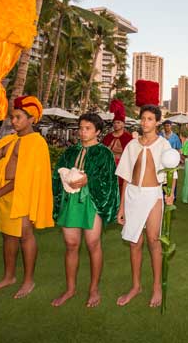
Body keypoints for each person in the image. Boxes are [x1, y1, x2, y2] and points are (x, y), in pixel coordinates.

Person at [0, 95, 54, 299]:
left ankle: (28, 280)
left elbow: (25, 178)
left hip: (22, 195)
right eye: (12, 117)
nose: (13, 121)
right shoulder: (9, 141)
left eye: (18, 117)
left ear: (32, 119)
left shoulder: (37, 143)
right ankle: (9, 277)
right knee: (8, 236)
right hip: (5, 196)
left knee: (25, 235)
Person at [51, 113, 120, 307]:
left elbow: (110, 181)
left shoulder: (104, 153)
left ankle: (93, 289)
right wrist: (65, 178)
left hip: (93, 202)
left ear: (98, 131)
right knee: (71, 244)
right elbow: (57, 174)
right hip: (70, 201)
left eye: (88, 128)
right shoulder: (70, 152)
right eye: (81, 128)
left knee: (93, 243)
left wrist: (89, 179)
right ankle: (70, 289)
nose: (82, 132)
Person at [115, 104, 175, 307]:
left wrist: (170, 194)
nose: (145, 122)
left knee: (153, 240)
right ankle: (136, 286)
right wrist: (122, 207)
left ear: (157, 122)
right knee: (134, 242)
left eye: (150, 119)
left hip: (154, 195)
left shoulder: (164, 145)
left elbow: (171, 173)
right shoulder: (132, 146)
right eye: (143, 118)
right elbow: (125, 177)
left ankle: (157, 286)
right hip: (133, 194)